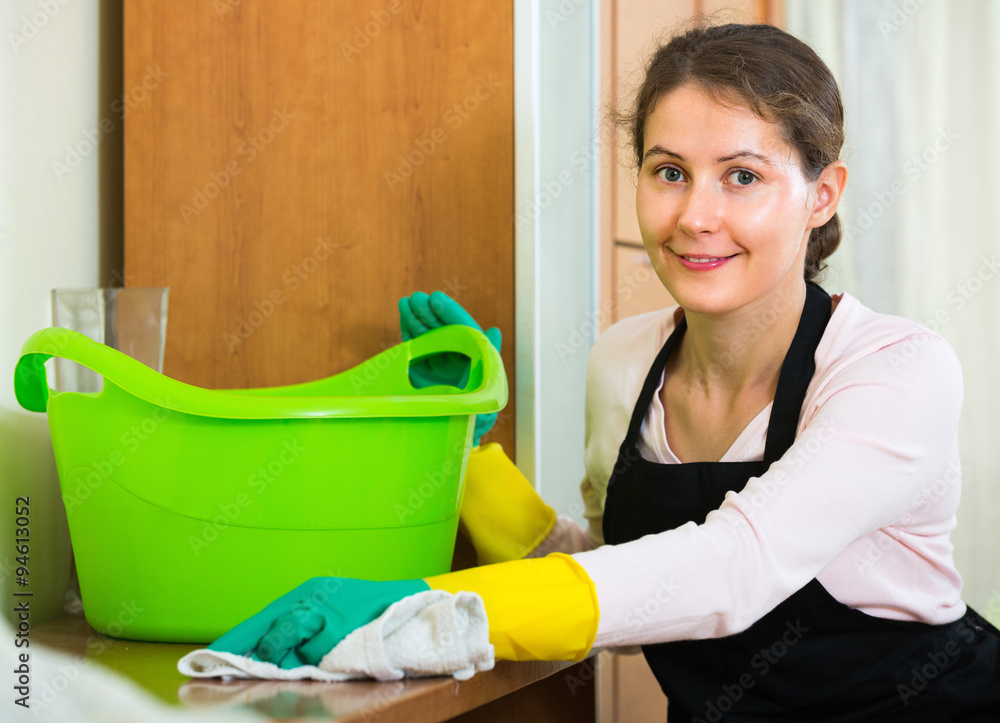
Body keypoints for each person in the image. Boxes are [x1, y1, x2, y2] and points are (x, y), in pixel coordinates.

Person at [209, 22, 1000, 720]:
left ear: (821, 195)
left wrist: (426, 607)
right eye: (668, 171)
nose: (694, 215)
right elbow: (625, 584)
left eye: (743, 176)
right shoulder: (624, 363)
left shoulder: (896, 372)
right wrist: (470, 453)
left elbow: (728, 569)